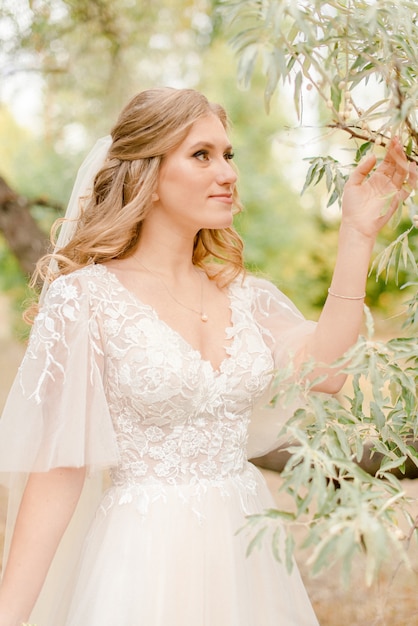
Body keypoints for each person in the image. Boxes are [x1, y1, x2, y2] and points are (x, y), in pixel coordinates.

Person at [0, 87, 415, 626]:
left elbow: (328, 372)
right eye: (201, 154)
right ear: (146, 176)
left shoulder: (242, 294)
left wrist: (357, 235)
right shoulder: (85, 299)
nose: (227, 172)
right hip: (143, 562)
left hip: (247, 555)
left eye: (228, 155)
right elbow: (57, 477)